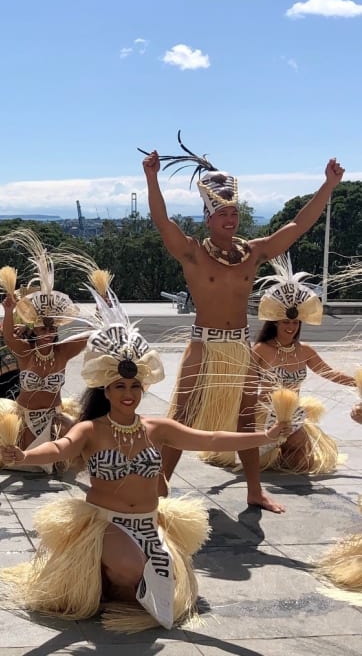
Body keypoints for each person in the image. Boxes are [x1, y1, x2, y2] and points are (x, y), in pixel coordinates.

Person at [0, 285, 294, 631]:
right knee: (133, 570)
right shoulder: (91, 429)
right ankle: (98, 582)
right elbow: (60, 449)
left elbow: (210, 437)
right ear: (105, 390)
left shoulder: (156, 428)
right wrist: (25, 454)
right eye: (120, 387)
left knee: (161, 581)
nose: (128, 394)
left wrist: (265, 436)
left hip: (150, 523)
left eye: (135, 387)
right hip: (108, 522)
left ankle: (112, 585)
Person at [142, 135, 344, 513]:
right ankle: (160, 486)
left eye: (234, 214)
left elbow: (298, 225)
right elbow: (161, 221)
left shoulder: (253, 253)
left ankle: (254, 489)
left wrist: (328, 185)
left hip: (239, 345)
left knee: (246, 417)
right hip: (203, 344)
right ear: (208, 217)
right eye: (223, 215)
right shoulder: (193, 253)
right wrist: (152, 179)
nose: (230, 220)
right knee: (182, 414)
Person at [207, 254, 355, 474]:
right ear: (275, 323)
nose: (291, 327)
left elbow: (329, 373)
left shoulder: (304, 350)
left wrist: (356, 382)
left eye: (295, 322)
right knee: (264, 463)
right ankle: (269, 452)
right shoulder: (262, 350)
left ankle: (283, 452)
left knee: (302, 464)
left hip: (293, 415)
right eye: (286, 322)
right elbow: (243, 383)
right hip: (264, 415)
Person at [0, 231, 90, 472]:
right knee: (27, 463)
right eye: (42, 328)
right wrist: (8, 312)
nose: (46, 332)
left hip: (53, 416)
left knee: (61, 460)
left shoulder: (62, 352)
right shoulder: (25, 352)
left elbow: (89, 335)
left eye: (51, 328)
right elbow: (8, 337)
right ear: (34, 328)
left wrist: (102, 312)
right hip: (26, 415)